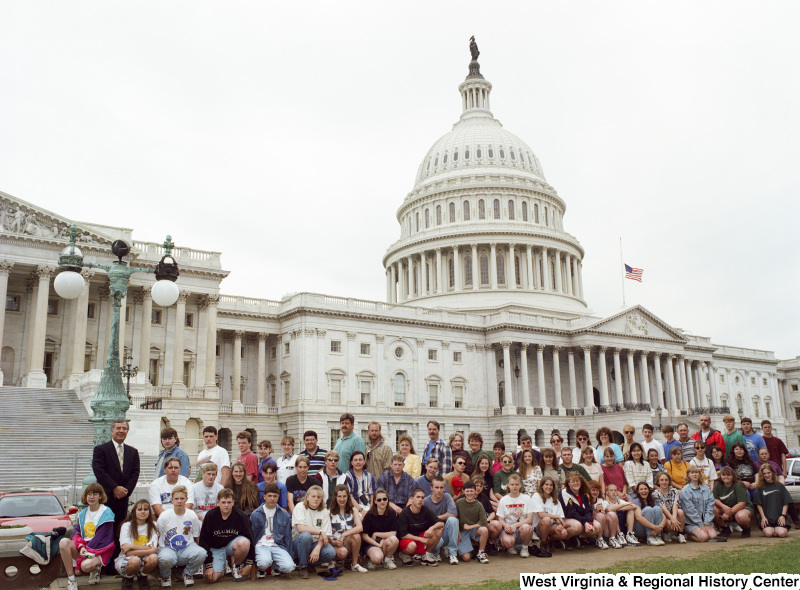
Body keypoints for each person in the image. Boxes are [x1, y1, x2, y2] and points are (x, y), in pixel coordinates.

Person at [91, 419, 140, 574]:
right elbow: (99, 471)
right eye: (118, 428)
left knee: (120, 530)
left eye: (124, 428)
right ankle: (104, 565)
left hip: (123, 499)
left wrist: (125, 491)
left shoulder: (133, 452)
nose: (121, 431)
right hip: (107, 498)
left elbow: (135, 473)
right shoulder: (101, 450)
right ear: (112, 431)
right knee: (106, 530)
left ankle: (117, 564)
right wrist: (114, 488)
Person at [58, 483, 115, 590]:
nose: (91, 497)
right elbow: (76, 533)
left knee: (85, 566)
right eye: (89, 494)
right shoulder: (83, 513)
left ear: (100, 496)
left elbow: (102, 537)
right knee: (63, 542)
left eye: (95, 494)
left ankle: (95, 569)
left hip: (100, 550)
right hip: (84, 549)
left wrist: (80, 560)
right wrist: (81, 547)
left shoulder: (106, 513)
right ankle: (71, 579)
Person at [199, 488, 255, 583]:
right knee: (211, 579)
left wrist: (249, 564)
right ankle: (223, 564)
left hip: (231, 545)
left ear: (233, 502)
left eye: (229, 502)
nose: (226, 505)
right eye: (223, 502)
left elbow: (251, 539)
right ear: (218, 502)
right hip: (216, 549)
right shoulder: (210, 516)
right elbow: (203, 541)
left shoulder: (241, 516)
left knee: (244, 542)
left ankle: (236, 566)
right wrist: (208, 565)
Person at [156, 485, 206, 587]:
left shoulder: (192, 515)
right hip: (167, 547)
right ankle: (165, 575)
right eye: (176, 499)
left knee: (202, 553)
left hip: (186, 547)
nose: (179, 501)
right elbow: (158, 535)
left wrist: (199, 550)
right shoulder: (164, 516)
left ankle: (187, 573)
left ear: (186, 499)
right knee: (166, 559)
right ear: (172, 500)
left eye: (182, 498)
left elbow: (196, 536)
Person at [250, 483, 295, 578]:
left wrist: (289, 556)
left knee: (289, 567)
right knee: (264, 563)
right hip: (261, 545)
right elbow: (252, 537)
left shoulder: (283, 514)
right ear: (264, 497)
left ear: (278, 497)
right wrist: (252, 562)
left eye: (275, 496)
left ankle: (276, 566)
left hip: (277, 545)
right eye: (269, 496)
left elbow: (288, 537)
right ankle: (261, 569)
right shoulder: (256, 514)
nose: (272, 499)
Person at [292, 485, 336, 579]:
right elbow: (300, 528)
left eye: (319, 497)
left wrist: (318, 548)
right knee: (306, 536)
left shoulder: (324, 511)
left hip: (316, 542)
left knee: (331, 552)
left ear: (321, 499)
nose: (316, 499)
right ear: (307, 497)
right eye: (313, 496)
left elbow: (326, 534)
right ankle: (302, 567)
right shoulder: (300, 507)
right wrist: (320, 532)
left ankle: (310, 563)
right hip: (300, 543)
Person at [115, 499, 158, 590]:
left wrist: (131, 546)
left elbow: (152, 549)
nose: (143, 512)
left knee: (154, 558)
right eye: (139, 509)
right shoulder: (126, 526)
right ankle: (128, 578)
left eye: (146, 509)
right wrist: (149, 550)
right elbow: (127, 553)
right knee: (135, 560)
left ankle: (143, 577)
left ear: (149, 512)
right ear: (134, 512)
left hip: (144, 559)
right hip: (127, 560)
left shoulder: (153, 525)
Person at [397, 488, 443, 566]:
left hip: (421, 539)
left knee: (438, 530)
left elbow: (441, 523)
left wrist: (431, 528)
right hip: (409, 541)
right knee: (412, 546)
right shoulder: (405, 512)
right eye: (418, 497)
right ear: (412, 499)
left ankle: (426, 555)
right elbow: (403, 535)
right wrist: (420, 539)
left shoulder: (425, 510)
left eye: (422, 497)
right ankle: (404, 554)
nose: (420, 500)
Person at [328, 484, 367, 572]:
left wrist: (344, 534)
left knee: (356, 535)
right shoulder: (329, 512)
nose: (342, 499)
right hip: (334, 542)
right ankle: (332, 562)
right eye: (339, 496)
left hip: (346, 540)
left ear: (348, 497)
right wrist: (334, 542)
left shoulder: (353, 510)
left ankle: (354, 564)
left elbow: (359, 527)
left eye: (344, 496)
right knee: (342, 553)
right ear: (335, 497)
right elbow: (326, 532)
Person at [560, 473, 604, 549]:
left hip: (580, 518)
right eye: (573, 481)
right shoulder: (565, 492)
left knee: (597, 526)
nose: (575, 483)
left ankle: (579, 538)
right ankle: (565, 539)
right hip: (566, 518)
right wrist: (585, 523)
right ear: (568, 483)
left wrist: (589, 523)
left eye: (577, 481)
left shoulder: (584, 492)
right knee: (577, 526)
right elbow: (571, 512)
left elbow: (588, 510)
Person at [361, 488, 400, 570]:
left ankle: (387, 559)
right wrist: (377, 544)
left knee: (394, 539)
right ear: (375, 501)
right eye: (379, 500)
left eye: (384, 499)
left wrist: (377, 534)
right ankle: (373, 559)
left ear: (388, 500)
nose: (382, 502)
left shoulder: (392, 513)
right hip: (372, 543)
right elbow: (365, 536)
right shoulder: (369, 515)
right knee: (377, 558)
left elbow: (393, 533)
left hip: (386, 541)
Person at [423, 477, 459, 564]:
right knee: (437, 540)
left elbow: (453, 513)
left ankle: (453, 554)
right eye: (436, 487)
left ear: (444, 488)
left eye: (441, 488)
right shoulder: (426, 501)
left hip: (445, 530)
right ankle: (435, 553)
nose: (439, 490)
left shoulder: (447, 497)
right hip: (433, 533)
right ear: (431, 488)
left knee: (453, 520)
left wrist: (437, 518)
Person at [679, 465, 718, 542]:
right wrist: (700, 524)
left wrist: (706, 523)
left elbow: (710, 506)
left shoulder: (706, 488)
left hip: (705, 521)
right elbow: (690, 510)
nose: (694, 474)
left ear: (699, 474)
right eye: (692, 473)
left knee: (713, 536)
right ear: (688, 475)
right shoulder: (685, 490)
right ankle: (687, 535)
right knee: (703, 538)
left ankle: (703, 530)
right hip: (691, 522)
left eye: (696, 472)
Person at [753, 463, 792, 538]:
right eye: (764, 473)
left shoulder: (780, 486)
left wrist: (783, 516)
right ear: (762, 475)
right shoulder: (760, 487)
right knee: (768, 534)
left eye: (768, 473)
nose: (767, 475)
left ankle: (779, 528)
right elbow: (759, 504)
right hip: (767, 517)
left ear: (773, 473)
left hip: (779, 516)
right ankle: (771, 528)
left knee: (781, 534)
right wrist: (763, 517)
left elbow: (786, 502)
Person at [455, 480, 490, 563]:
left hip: (473, 529)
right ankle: (462, 550)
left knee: (484, 530)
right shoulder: (459, 503)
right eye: (467, 491)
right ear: (463, 491)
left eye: (471, 491)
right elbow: (455, 519)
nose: (469, 493)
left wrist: (470, 527)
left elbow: (483, 522)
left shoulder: (479, 505)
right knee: (466, 558)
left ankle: (481, 553)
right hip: (462, 531)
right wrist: (458, 533)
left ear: (475, 492)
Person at [712, 466, 753, 538]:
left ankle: (746, 529)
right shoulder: (717, 484)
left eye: (728, 475)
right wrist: (723, 507)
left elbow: (742, 504)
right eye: (723, 475)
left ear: (733, 476)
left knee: (741, 516)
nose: (726, 477)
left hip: (742, 508)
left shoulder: (738, 484)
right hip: (726, 507)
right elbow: (715, 499)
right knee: (712, 509)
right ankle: (725, 528)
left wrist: (728, 513)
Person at [531, 477, 567, 556]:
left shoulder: (555, 499)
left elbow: (561, 518)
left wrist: (561, 525)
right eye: (546, 484)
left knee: (563, 533)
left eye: (551, 485)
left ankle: (550, 541)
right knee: (546, 520)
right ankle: (543, 543)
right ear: (542, 486)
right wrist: (556, 516)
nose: (549, 487)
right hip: (538, 527)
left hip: (550, 526)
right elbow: (540, 514)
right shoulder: (536, 496)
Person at [652, 472, 686, 543]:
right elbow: (662, 507)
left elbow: (675, 503)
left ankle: (680, 534)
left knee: (680, 512)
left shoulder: (674, 491)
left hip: (673, 513)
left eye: (666, 480)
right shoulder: (655, 493)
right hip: (664, 516)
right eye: (662, 480)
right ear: (658, 482)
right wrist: (672, 518)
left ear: (669, 481)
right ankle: (666, 533)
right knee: (670, 524)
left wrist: (674, 517)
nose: (664, 482)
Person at [345, 450, 377, 516]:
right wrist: (360, 510)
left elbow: (372, 495)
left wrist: (371, 510)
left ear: (364, 462)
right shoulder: (348, 476)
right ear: (352, 462)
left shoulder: (369, 476)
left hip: (368, 506)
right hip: (354, 507)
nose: (358, 462)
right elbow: (349, 496)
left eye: (360, 460)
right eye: (355, 460)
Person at [587, 481, 613, 548]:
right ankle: (599, 539)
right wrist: (595, 511)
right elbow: (588, 516)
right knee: (599, 515)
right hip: (590, 527)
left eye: (597, 490)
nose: (596, 492)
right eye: (593, 490)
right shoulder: (586, 500)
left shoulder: (600, 500)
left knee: (610, 515)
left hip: (602, 526)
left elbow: (606, 511)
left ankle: (612, 538)